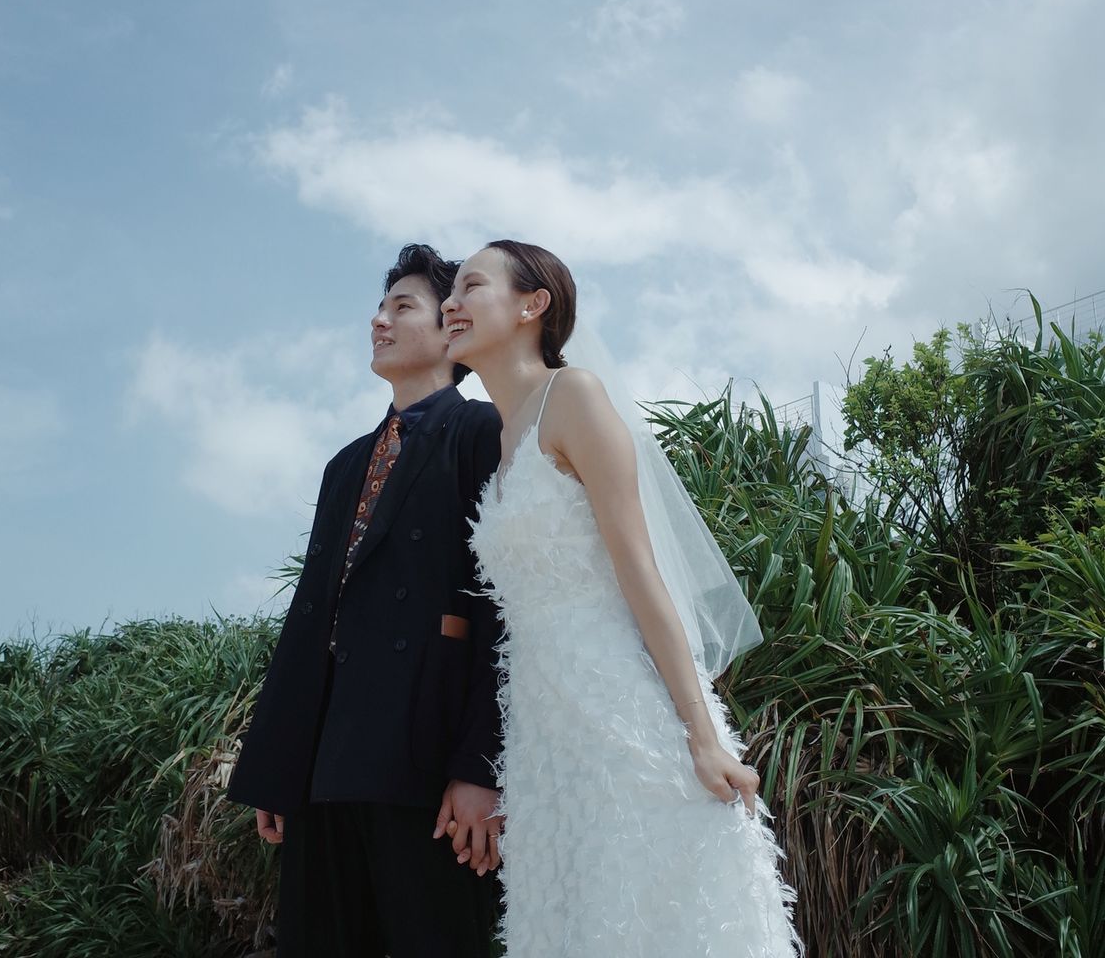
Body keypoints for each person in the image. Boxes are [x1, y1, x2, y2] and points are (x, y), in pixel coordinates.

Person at [441, 239, 799, 957]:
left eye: (470, 286)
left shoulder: (572, 397)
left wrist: (701, 737)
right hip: (544, 735)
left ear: (532, 305)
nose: (450, 303)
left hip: (623, 711)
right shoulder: (502, 437)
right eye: (449, 291)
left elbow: (640, 571)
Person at [227, 244, 504, 958]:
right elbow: (310, 620)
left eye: (401, 306)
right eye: (379, 308)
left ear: (450, 325)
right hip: (326, 763)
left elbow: (504, 609)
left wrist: (482, 767)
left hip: (428, 764)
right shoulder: (345, 463)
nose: (378, 321)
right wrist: (279, 767)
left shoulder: (483, 433)